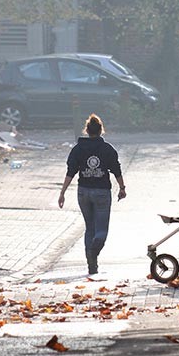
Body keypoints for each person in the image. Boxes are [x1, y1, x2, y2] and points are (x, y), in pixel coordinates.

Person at [58, 113, 126, 275]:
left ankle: (91, 264)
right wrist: (122, 188)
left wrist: (62, 193)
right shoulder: (107, 149)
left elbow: (71, 172)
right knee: (101, 230)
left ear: (87, 130)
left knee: (90, 228)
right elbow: (116, 169)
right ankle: (95, 250)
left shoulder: (78, 149)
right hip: (102, 192)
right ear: (101, 130)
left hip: (83, 192)